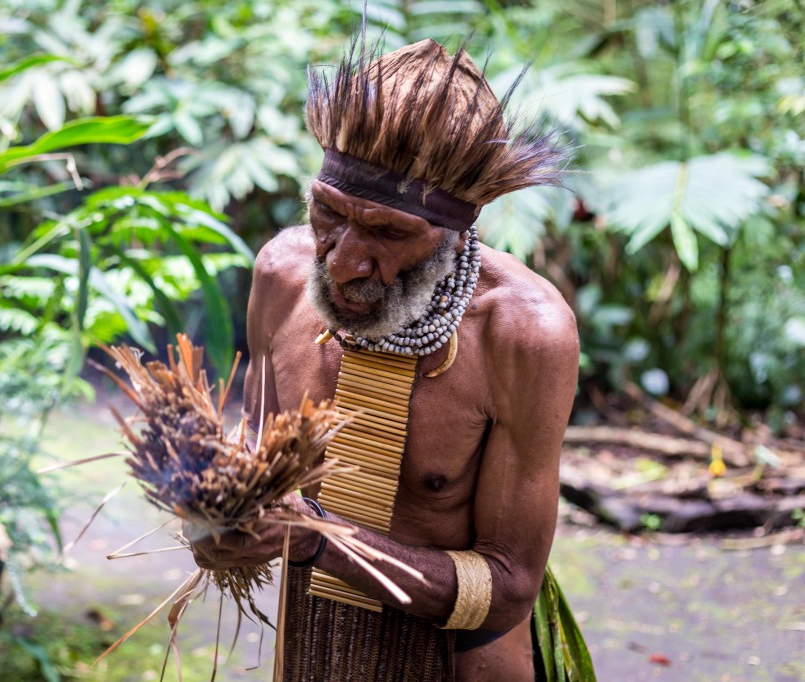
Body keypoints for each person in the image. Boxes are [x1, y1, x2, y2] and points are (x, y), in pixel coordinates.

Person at [189, 37, 580, 681]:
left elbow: (511, 586)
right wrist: (215, 520)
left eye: (389, 232)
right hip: (309, 656)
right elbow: (257, 484)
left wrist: (321, 541)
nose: (341, 261)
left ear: (456, 234)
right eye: (328, 213)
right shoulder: (282, 276)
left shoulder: (523, 332)